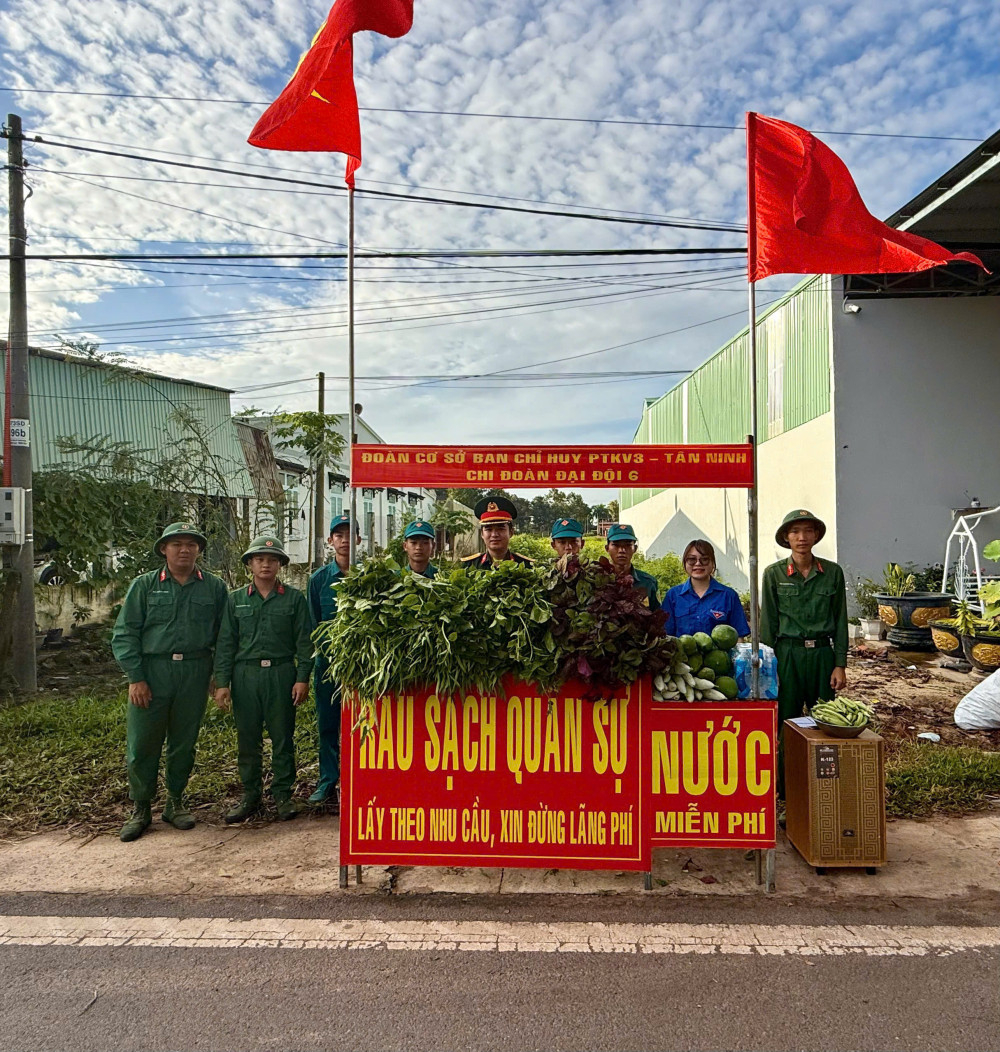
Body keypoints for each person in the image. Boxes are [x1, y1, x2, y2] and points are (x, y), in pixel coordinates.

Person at [111, 522, 228, 843]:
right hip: (153, 671)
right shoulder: (145, 586)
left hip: (194, 671)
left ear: (199, 550)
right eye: (177, 544)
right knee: (142, 744)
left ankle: (175, 802)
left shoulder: (214, 588)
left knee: (183, 743)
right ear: (164, 549)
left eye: (191, 544)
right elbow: (124, 633)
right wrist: (136, 678)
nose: (185, 550)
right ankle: (141, 807)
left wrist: (219, 678)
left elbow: (224, 636)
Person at [214, 535, 313, 823]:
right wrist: (222, 683)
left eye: (272, 560)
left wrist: (302, 678)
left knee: (283, 736)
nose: (266, 564)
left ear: (280, 564)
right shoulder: (235, 600)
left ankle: (283, 794)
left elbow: (305, 643)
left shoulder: (294, 598)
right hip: (246, 675)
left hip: (281, 673)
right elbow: (225, 644)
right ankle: (250, 794)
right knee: (248, 737)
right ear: (249, 564)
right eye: (259, 559)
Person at [761, 509, 848, 794]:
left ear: (816, 536)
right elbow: (768, 624)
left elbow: (840, 620)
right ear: (786, 538)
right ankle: (788, 790)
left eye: (808, 531)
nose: (802, 537)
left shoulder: (832, 573)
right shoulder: (773, 574)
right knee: (786, 724)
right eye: (795, 531)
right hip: (787, 656)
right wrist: (767, 669)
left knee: (825, 722)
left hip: (822, 655)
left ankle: (823, 788)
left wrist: (840, 664)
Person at [306, 513, 351, 806]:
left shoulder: (373, 575)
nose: (345, 540)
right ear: (331, 541)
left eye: (350, 535)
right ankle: (328, 781)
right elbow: (312, 626)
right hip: (328, 666)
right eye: (339, 535)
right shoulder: (319, 580)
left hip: (363, 668)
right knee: (328, 725)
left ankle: (360, 781)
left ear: (359, 539)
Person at [662, 539, 750, 638]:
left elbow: (738, 637)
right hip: (682, 653)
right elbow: (666, 636)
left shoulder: (728, 596)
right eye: (692, 559)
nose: (698, 564)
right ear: (685, 564)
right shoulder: (673, 595)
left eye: (704, 559)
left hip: (721, 654)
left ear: (713, 563)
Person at [461, 495, 534, 571]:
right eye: (489, 529)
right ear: (482, 534)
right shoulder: (470, 566)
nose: (494, 534)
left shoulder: (526, 566)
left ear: (511, 532)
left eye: (500, 529)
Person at [605, 523, 660, 610]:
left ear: (635, 548)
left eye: (627, 545)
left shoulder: (648, 583)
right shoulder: (598, 581)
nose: (622, 550)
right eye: (616, 545)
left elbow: (657, 616)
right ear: (607, 548)